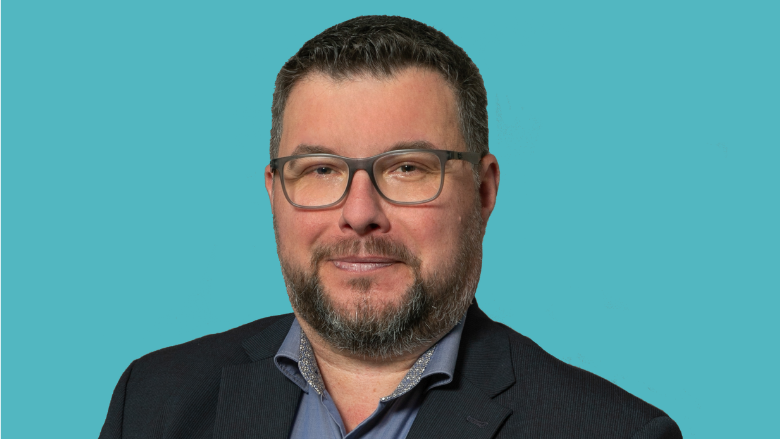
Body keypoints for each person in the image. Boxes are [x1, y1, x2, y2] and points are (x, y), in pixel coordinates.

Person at [99, 15, 682, 439]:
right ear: (274, 192)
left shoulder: (610, 432)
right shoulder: (152, 403)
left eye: (407, 168)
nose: (359, 213)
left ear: (484, 191)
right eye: (320, 169)